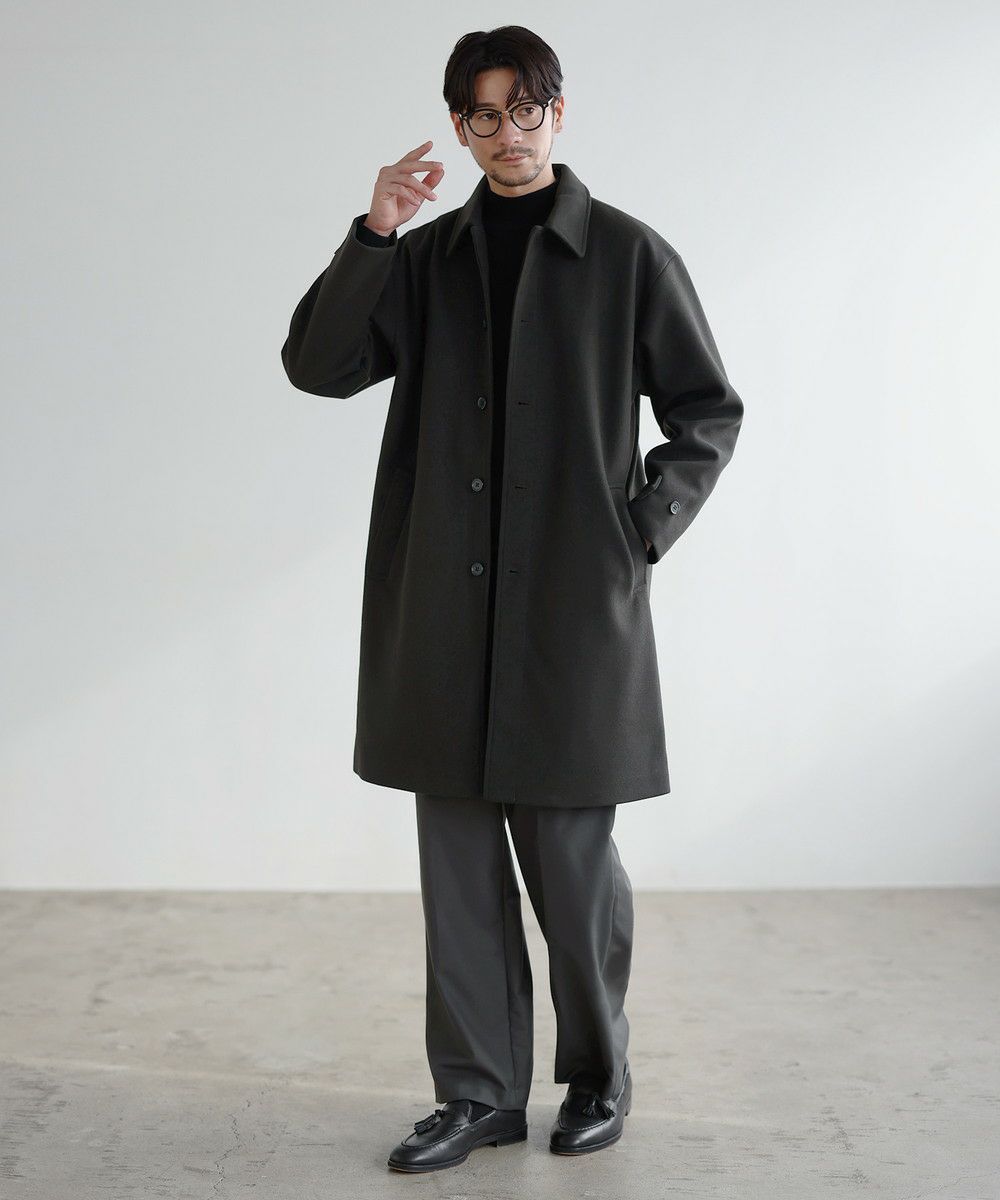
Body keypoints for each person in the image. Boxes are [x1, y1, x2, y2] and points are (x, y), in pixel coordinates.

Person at [281, 25, 743, 1174]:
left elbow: (706, 411)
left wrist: (639, 527)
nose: (507, 135)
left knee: (571, 869)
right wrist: (373, 234)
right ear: (458, 125)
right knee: (458, 873)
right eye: (482, 116)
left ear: (557, 112)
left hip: (571, 611)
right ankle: (478, 1094)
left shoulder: (627, 255)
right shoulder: (425, 260)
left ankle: (596, 1074)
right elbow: (317, 367)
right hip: (441, 607)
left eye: (524, 111)